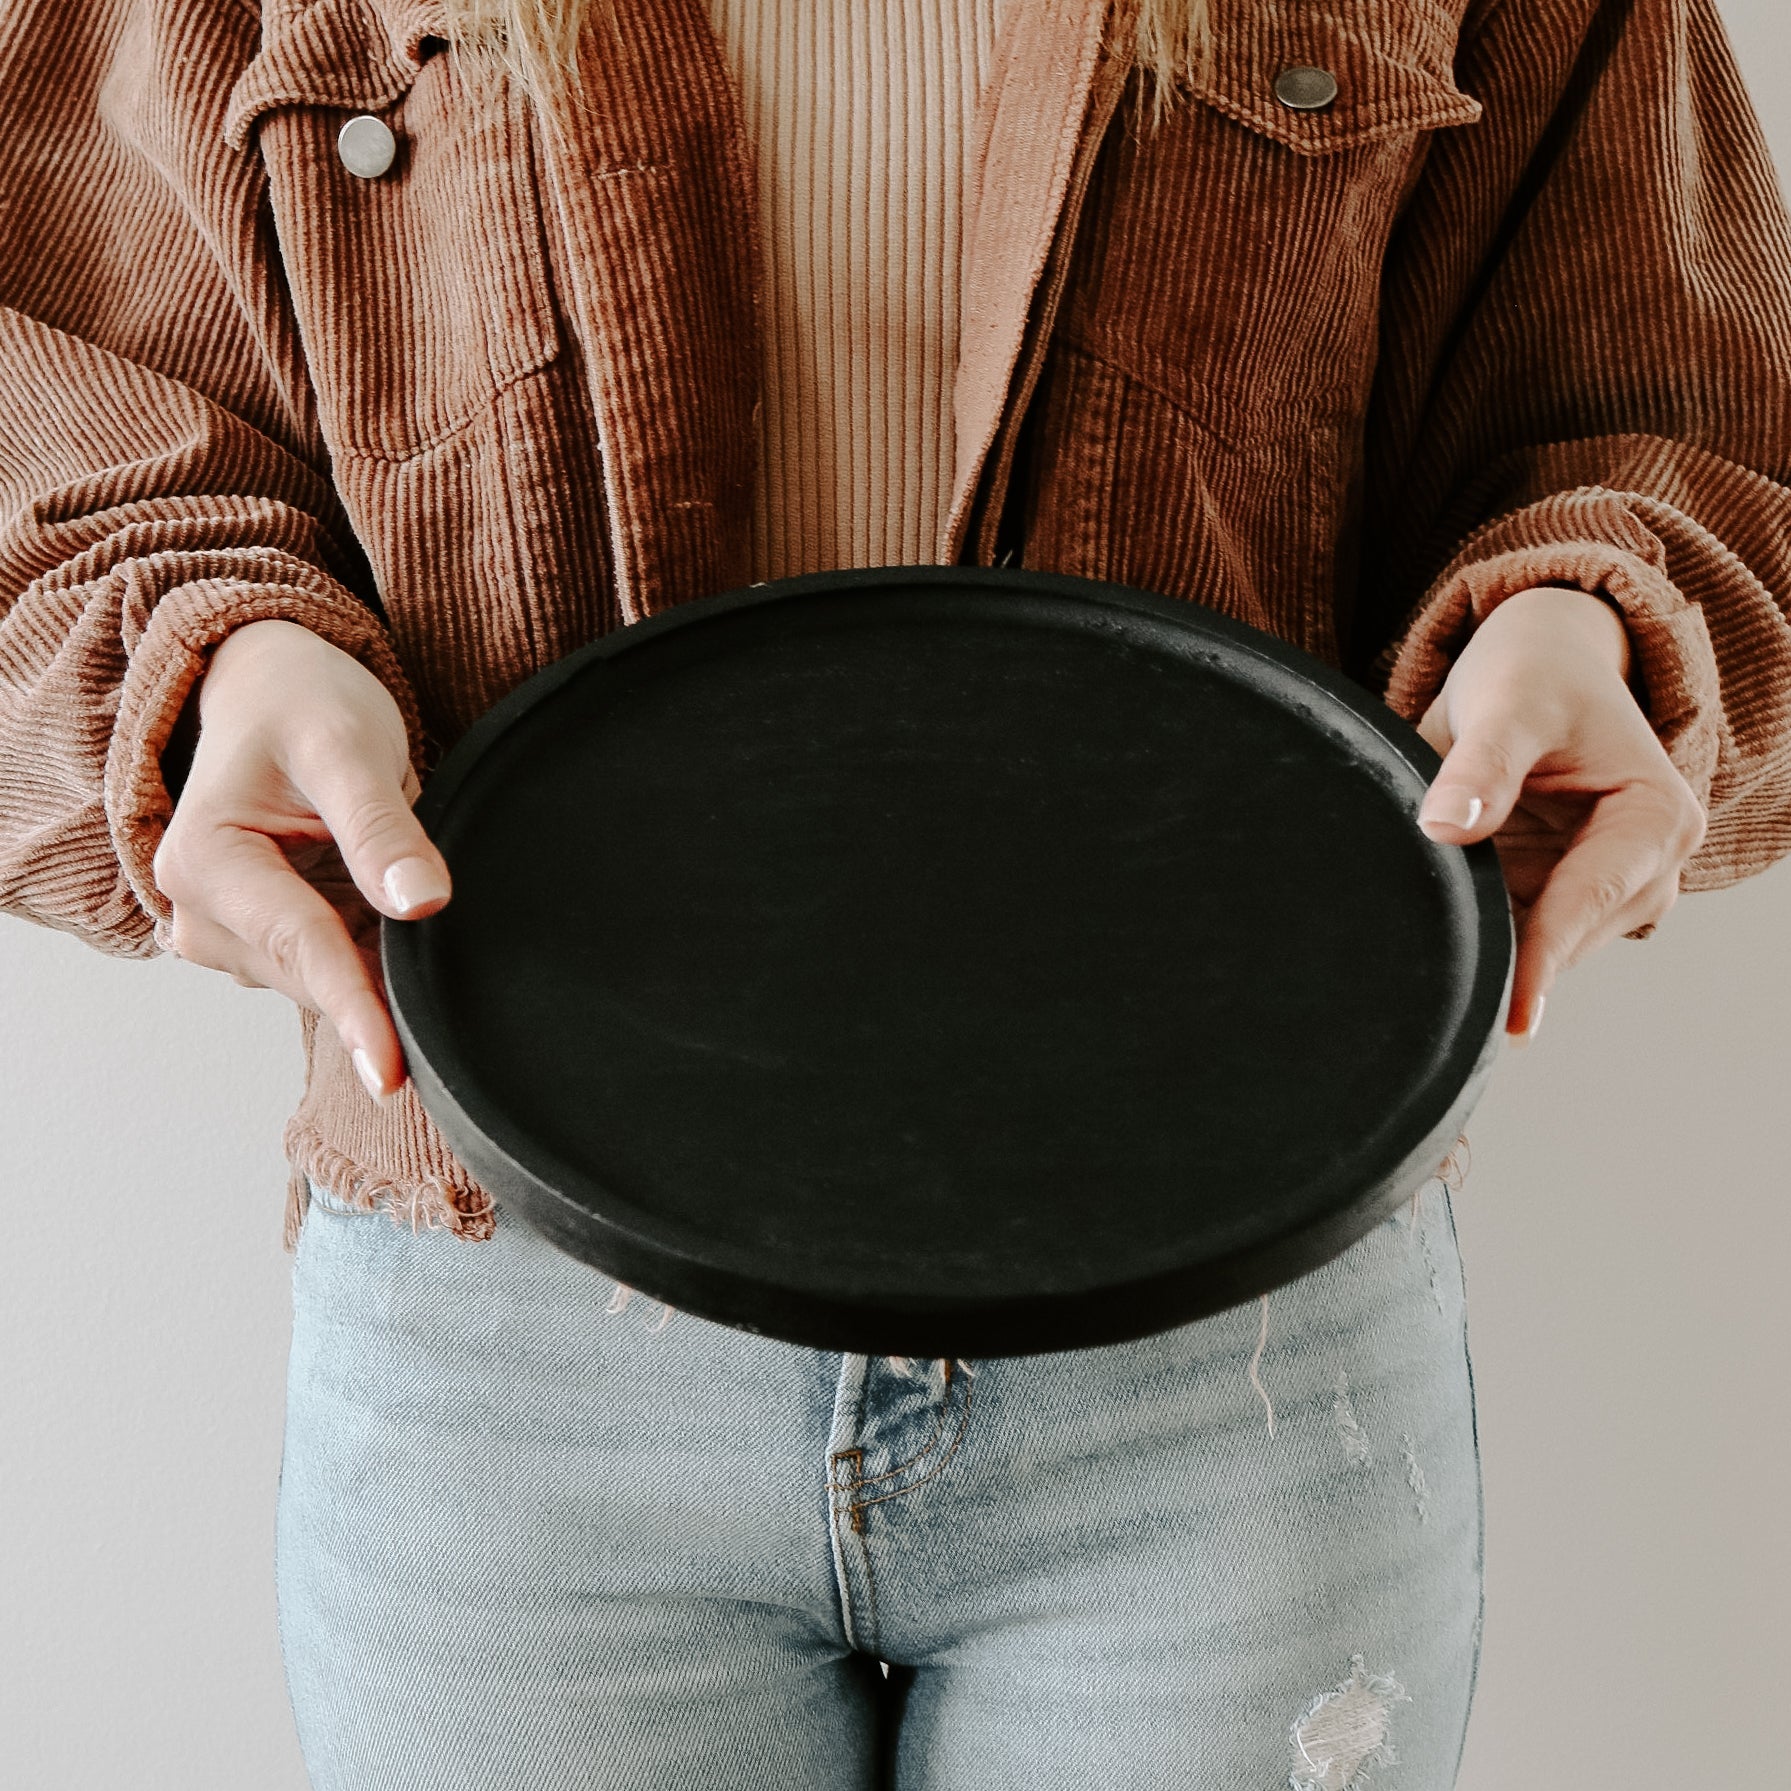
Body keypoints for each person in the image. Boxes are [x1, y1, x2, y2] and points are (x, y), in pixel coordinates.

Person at [2, 0, 1786, 1785]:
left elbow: (1689, 414)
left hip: (1223, 1333)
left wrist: (1602, 617)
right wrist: (208, 663)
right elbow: (43, 386)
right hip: (513, 1332)